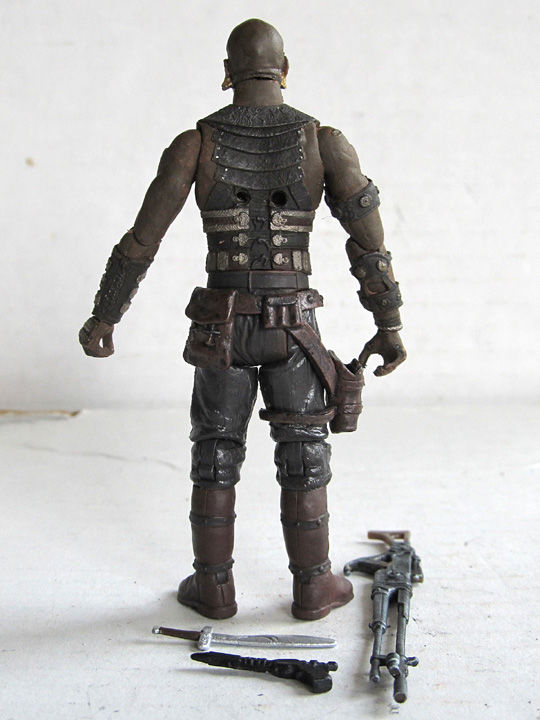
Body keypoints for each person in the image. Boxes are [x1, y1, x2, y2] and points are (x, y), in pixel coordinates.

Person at [79, 19, 406, 621]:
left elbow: (142, 240)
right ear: (285, 70)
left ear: (227, 73)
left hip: (221, 328)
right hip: (293, 329)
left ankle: (213, 589)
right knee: (304, 455)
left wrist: (106, 315)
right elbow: (369, 244)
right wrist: (388, 323)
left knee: (215, 453)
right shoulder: (325, 143)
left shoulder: (194, 144)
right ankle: (313, 587)